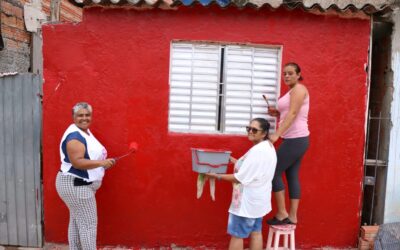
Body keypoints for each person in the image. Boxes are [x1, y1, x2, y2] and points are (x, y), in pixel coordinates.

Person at [206, 118, 277, 250]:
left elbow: (240, 178)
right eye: (248, 128)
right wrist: (231, 159)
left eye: (254, 130)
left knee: (237, 235)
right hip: (259, 200)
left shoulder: (258, 151)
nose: (250, 131)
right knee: (256, 233)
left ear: (264, 133)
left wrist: (217, 176)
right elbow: (250, 168)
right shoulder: (268, 146)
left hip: (246, 202)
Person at [55, 102, 116, 250]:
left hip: (75, 184)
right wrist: (102, 163)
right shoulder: (75, 137)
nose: (84, 118)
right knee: (88, 225)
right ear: (73, 117)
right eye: (80, 115)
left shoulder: (83, 131)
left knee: (77, 222)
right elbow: (77, 162)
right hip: (77, 185)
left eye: (87, 115)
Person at [266, 62, 310, 225]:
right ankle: (292, 217)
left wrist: (277, 134)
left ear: (298, 75)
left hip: (296, 139)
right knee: (292, 176)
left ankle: (282, 213)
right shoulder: (291, 91)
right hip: (295, 139)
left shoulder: (299, 89)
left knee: (272, 171)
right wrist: (276, 113)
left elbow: (292, 113)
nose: (286, 76)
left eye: (291, 73)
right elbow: (287, 113)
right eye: (285, 73)